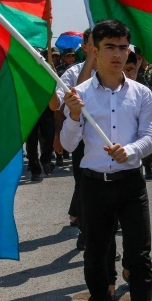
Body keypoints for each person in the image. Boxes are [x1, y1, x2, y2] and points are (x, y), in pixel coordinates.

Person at [60, 19, 152, 301]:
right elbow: (66, 144)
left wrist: (129, 150)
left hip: (131, 184)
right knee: (97, 253)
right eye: (110, 48)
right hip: (93, 186)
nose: (117, 55)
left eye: (122, 48)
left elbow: (150, 137)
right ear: (94, 51)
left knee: (139, 257)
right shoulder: (80, 95)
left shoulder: (141, 93)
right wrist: (73, 116)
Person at [53, 31, 97, 247]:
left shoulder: (114, 70)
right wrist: (57, 134)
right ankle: (87, 231)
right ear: (85, 47)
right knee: (84, 185)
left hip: (108, 138)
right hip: (79, 138)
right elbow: (57, 105)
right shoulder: (73, 73)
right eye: (92, 44)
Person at [24, 49, 57, 183]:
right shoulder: (24, 69)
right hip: (30, 111)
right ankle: (35, 170)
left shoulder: (47, 69)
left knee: (49, 138)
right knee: (31, 143)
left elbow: (55, 83)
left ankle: (45, 159)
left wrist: (52, 71)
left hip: (46, 110)